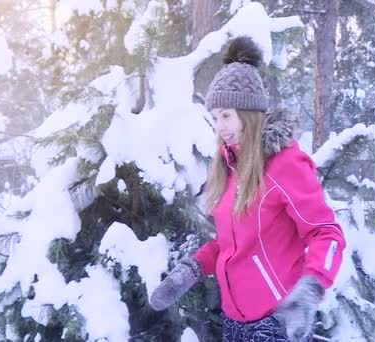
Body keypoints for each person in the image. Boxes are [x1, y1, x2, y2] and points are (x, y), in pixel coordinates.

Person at [148, 36, 346, 342]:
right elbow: (231, 245)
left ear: (249, 115)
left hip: (277, 322)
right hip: (235, 323)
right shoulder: (230, 167)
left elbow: (327, 233)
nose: (219, 127)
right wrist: (191, 269)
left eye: (226, 116)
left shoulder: (286, 164)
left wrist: (310, 289)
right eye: (215, 117)